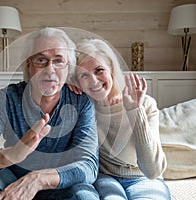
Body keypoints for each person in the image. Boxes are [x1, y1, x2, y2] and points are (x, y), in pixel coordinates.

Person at [0, 28, 99, 200]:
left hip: (59, 183)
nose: (50, 70)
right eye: (41, 60)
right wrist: (9, 155)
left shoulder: (80, 101)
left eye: (58, 61)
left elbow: (89, 165)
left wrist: (37, 179)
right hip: (10, 179)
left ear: (68, 67)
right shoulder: (7, 98)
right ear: (29, 65)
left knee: (85, 197)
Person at [69, 38, 171, 199]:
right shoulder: (83, 105)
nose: (94, 81)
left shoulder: (145, 103)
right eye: (84, 75)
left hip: (143, 178)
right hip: (106, 178)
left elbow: (153, 171)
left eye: (99, 70)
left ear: (112, 69)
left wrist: (135, 111)